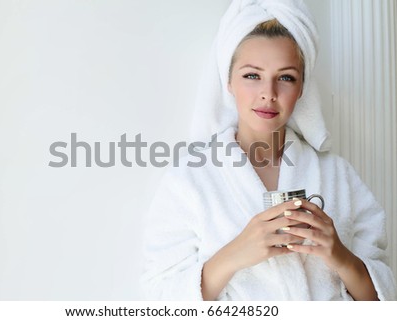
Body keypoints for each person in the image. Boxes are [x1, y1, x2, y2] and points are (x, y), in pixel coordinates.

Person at [141, 0, 397, 301]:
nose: (268, 93)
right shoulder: (190, 180)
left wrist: (339, 254)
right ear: (228, 81)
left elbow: (384, 301)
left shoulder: (338, 175)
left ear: (301, 88)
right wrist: (235, 254)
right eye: (252, 75)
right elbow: (158, 298)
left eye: (286, 77)